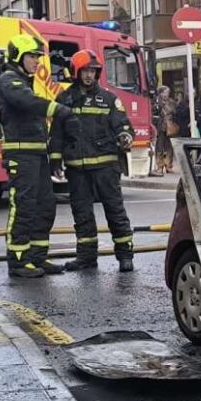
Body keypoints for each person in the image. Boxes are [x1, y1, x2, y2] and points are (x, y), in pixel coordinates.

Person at [0, 34, 76, 278]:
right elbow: (27, 103)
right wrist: (57, 109)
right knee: (24, 206)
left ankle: (37, 258)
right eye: (32, 57)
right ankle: (18, 261)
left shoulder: (24, 81)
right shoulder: (9, 81)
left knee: (45, 206)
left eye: (38, 57)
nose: (37, 62)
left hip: (37, 155)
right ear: (18, 56)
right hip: (21, 154)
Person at [50, 49, 135, 273]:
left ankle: (125, 256)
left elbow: (122, 124)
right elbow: (57, 132)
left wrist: (125, 136)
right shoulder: (64, 99)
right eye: (85, 71)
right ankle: (86, 258)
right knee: (82, 213)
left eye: (93, 71)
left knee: (114, 210)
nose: (89, 75)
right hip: (77, 169)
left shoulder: (108, 99)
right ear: (76, 72)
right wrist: (55, 160)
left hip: (106, 167)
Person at [151, 86, 175, 176]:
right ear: (160, 93)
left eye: (168, 92)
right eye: (165, 92)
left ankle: (169, 165)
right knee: (159, 147)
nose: (166, 94)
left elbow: (174, 111)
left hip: (170, 126)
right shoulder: (156, 102)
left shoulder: (171, 102)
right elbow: (153, 113)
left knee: (169, 147)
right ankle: (159, 166)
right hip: (160, 126)